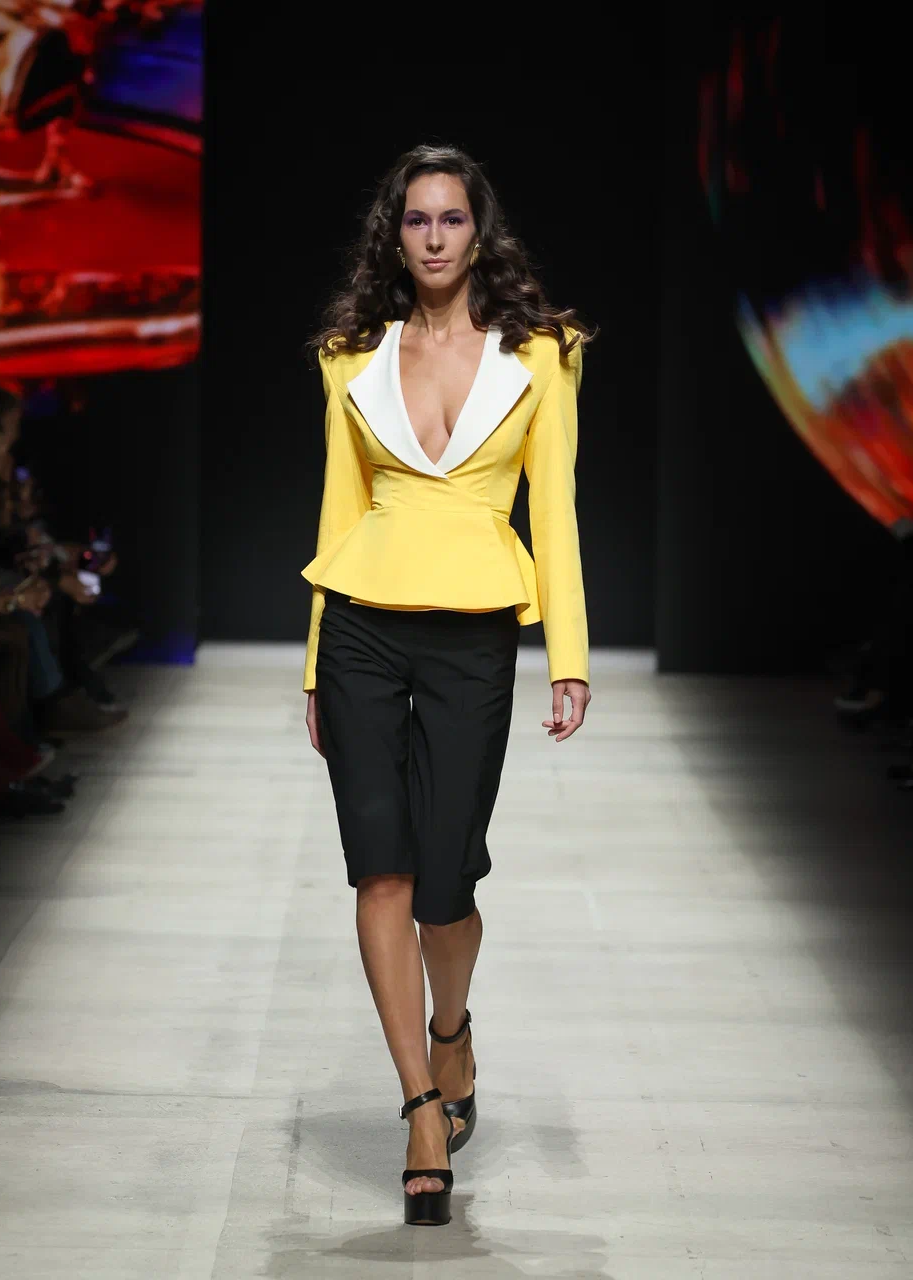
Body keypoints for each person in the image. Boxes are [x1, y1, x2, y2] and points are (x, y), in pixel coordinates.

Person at [301, 144, 594, 1227]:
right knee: (377, 868)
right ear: (394, 232)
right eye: (416, 219)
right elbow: (338, 510)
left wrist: (568, 655)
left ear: (479, 231)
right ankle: (421, 1107)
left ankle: (451, 1028)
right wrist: (313, 665)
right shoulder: (351, 354)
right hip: (361, 627)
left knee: (444, 878)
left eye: (451, 219)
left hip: (474, 631)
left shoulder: (542, 352)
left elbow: (552, 506)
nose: (432, 237)